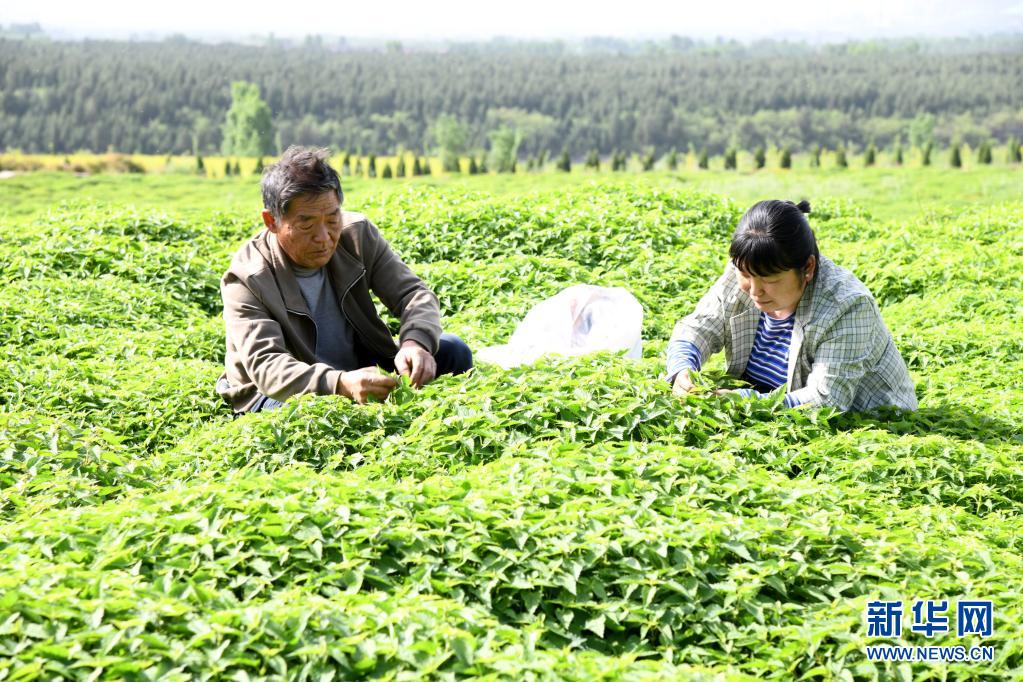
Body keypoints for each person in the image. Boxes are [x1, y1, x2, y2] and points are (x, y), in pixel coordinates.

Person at [216, 146, 472, 414]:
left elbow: (413, 294)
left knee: (454, 351)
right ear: (272, 221)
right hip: (277, 392)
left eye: (332, 219)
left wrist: (415, 343)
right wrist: (340, 383)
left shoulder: (357, 236)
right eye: (306, 224)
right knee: (308, 416)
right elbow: (268, 368)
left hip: (359, 369)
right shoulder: (247, 277)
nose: (324, 238)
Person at [665, 199, 916, 412]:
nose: (754, 291)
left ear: (807, 268)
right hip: (770, 401)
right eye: (746, 275)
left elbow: (826, 401)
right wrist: (683, 371)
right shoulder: (747, 267)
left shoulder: (848, 306)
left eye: (770, 280)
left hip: (865, 421)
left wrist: (742, 402)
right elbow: (698, 328)